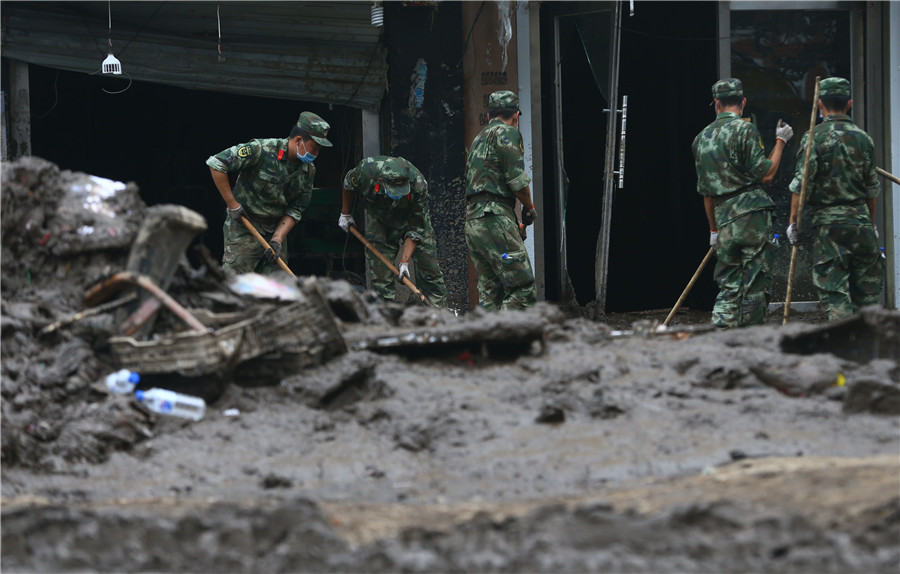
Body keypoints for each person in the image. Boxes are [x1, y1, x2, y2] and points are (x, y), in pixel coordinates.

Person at [692, 78, 794, 328]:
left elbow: (707, 193)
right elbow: (767, 175)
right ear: (743, 102)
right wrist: (781, 141)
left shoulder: (700, 139)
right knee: (755, 286)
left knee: (728, 285)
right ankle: (751, 341)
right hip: (752, 217)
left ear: (716, 104)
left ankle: (723, 338)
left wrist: (713, 231)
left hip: (724, 219)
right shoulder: (745, 129)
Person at [786, 77, 883, 321]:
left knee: (835, 292)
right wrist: (871, 224)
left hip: (830, 227)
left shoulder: (814, 138)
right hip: (860, 223)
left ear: (820, 104)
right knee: (867, 297)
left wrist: (793, 223)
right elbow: (872, 189)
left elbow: (801, 185)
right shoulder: (864, 139)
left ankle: (846, 347)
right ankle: (869, 351)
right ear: (849, 104)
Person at [207, 111, 332, 274]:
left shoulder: (308, 171)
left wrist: (278, 238)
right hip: (245, 228)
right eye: (314, 148)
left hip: (275, 231)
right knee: (234, 286)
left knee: (276, 291)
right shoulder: (261, 150)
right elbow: (217, 163)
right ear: (299, 140)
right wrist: (232, 205)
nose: (316, 153)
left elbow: (296, 208)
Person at [337, 156, 448, 307]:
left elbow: (416, 229)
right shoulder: (367, 170)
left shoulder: (418, 184)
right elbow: (348, 184)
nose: (397, 195)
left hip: (411, 217)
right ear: (381, 181)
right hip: (380, 220)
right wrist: (346, 213)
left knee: (430, 272)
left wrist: (404, 262)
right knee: (380, 278)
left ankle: (437, 316)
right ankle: (386, 318)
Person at [464, 90, 538, 311]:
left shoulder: (478, 138)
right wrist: (529, 207)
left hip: (476, 226)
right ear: (516, 116)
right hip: (494, 221)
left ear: (489, 116)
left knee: (491, 290)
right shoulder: (507, 133)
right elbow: (517, 181)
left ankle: (482, 342)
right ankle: (503, 334)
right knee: (523, 289)